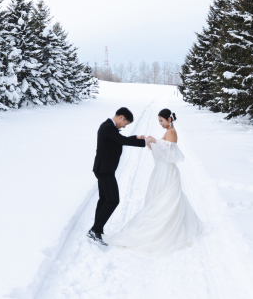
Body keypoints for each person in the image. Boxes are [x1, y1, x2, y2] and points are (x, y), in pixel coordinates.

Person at [106, 108, 203, 252]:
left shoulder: (171, 132)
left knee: (166, 198)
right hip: (161, 170)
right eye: (159, 121)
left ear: (169, 119)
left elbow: (170, 154)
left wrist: (154, 141)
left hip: (167, 170)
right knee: (160, 197)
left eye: (161, 121)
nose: (160, 123)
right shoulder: (168, 131)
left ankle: (166, 227)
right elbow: (160, 150)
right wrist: (150, 142)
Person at [87, 107, 146, 246]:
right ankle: (95, 230)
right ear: (121, 117)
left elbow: (119, 140)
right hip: (104, 170)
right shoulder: (107, 127)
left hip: (104, 169)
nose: (124, 126)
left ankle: (97, 229)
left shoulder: (109, 127)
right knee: (113, 200)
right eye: (126, 123)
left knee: (104, 199)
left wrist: (136, 137)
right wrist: (144, 142)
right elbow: (122, 140)